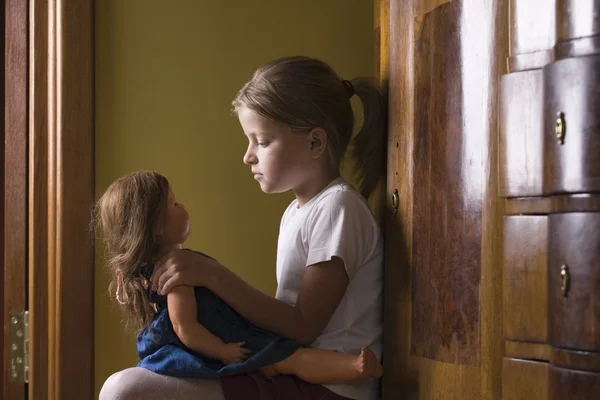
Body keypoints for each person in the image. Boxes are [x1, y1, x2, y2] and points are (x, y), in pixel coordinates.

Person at [99, 56, 386, 400]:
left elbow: (304, 326)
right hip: (293, 376)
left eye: (262, 141)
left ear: (314, 143)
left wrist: (213, 275)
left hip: (330, 387)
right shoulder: (298, 212)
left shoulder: (339, 209)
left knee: (127, 391)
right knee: (128, 385)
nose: (248, 156)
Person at [96, 170, 382, 385]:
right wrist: (221, 350)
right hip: (217, 340)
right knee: (287, 359)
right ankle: (354, 367)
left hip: (224, 331)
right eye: (174, 204)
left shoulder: (173, 266)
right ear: (157, 226)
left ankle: (354, 366)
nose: (182, 207)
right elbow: (185, 327)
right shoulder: (176, 274)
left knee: (283, 360)